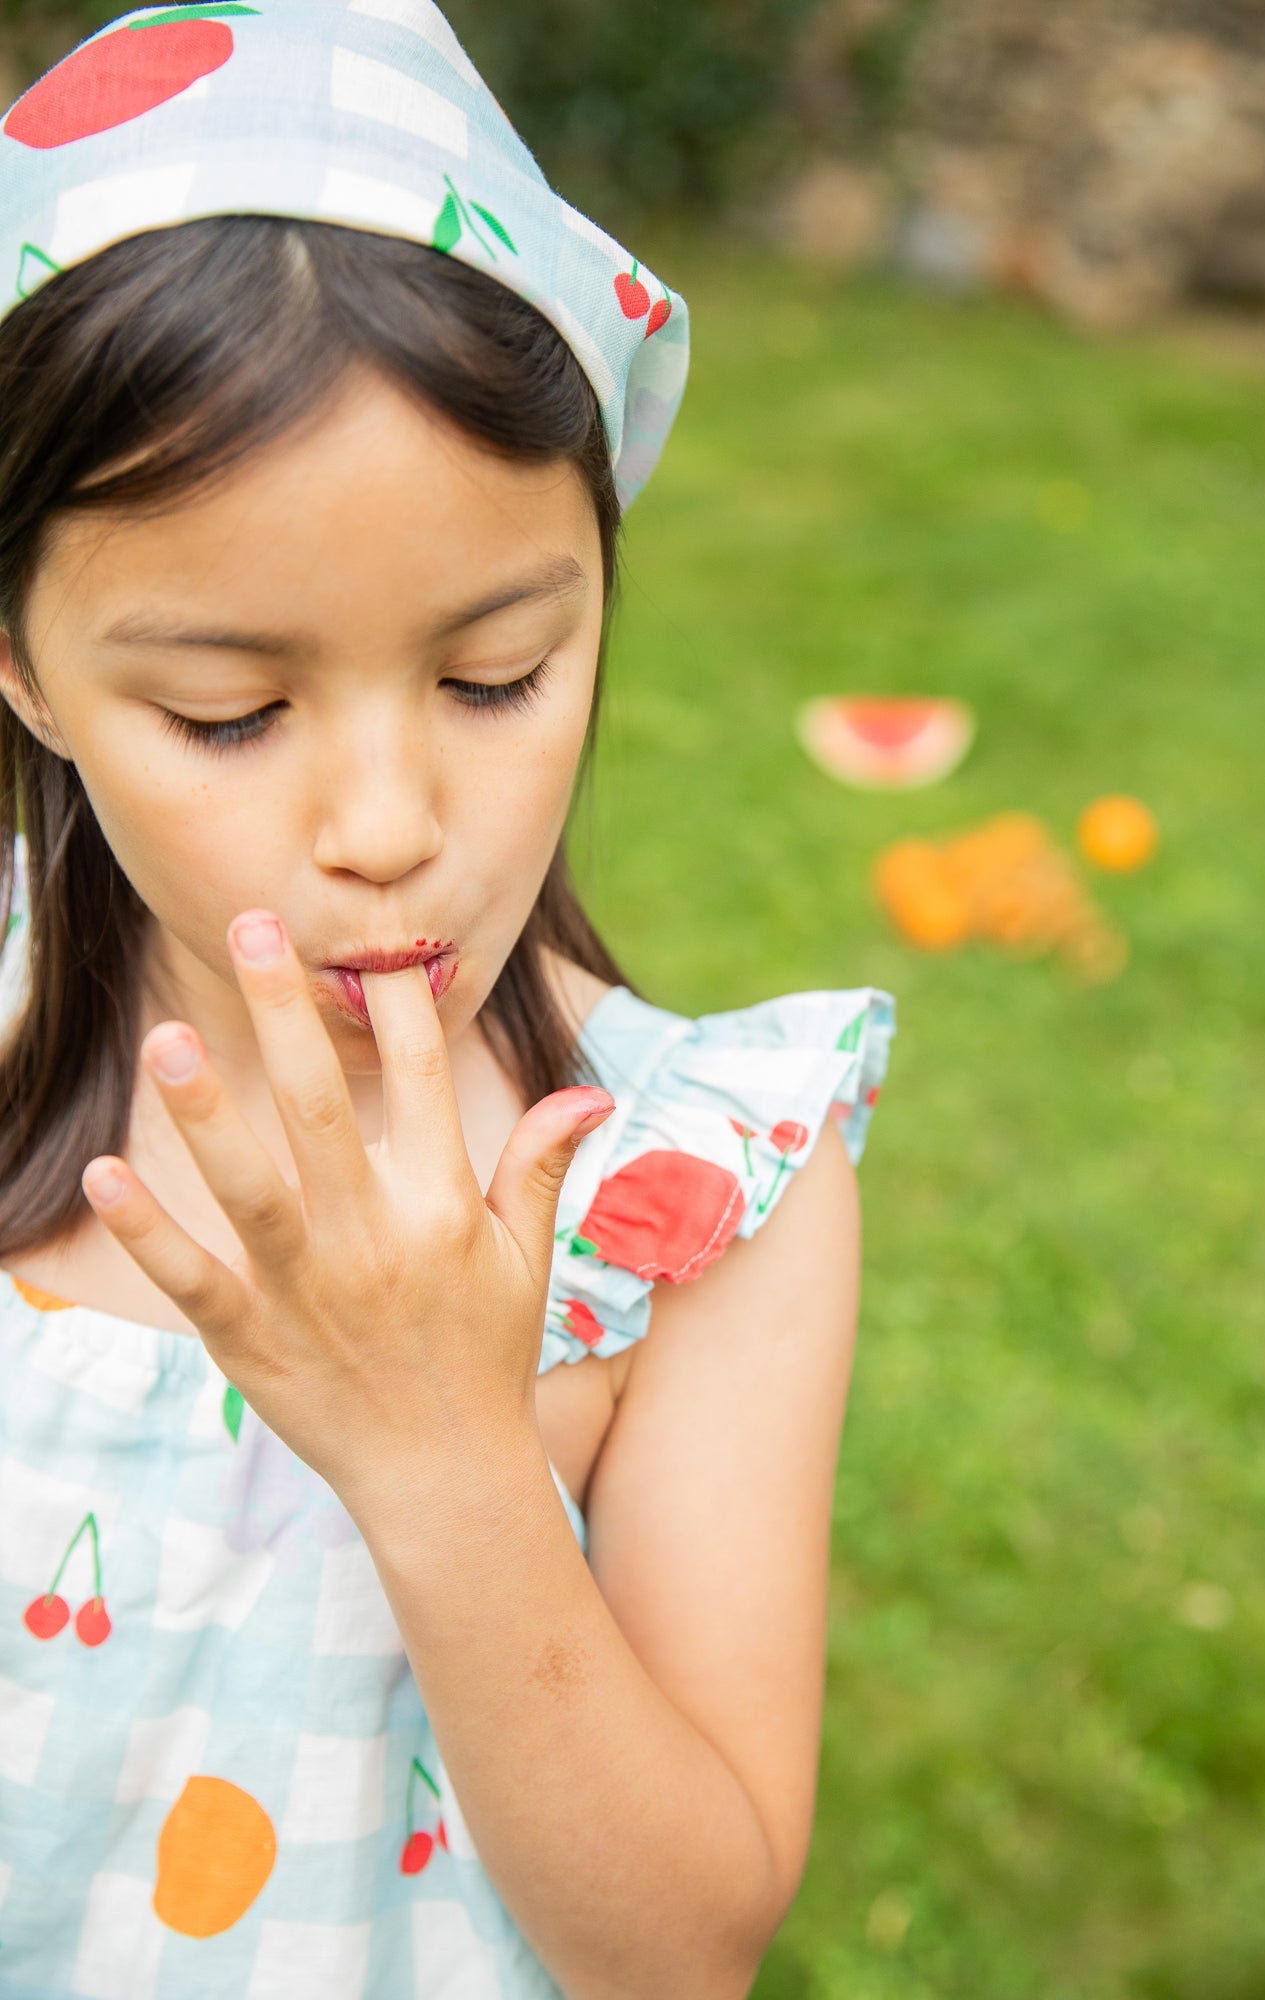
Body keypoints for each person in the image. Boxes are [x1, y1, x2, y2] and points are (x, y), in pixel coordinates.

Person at [0, 3, 894, 1994]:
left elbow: (680, 1947)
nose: (390, 829)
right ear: (26, 669)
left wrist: (446, 1461)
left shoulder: (702, 1201)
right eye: (228, 710)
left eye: (495, 677)